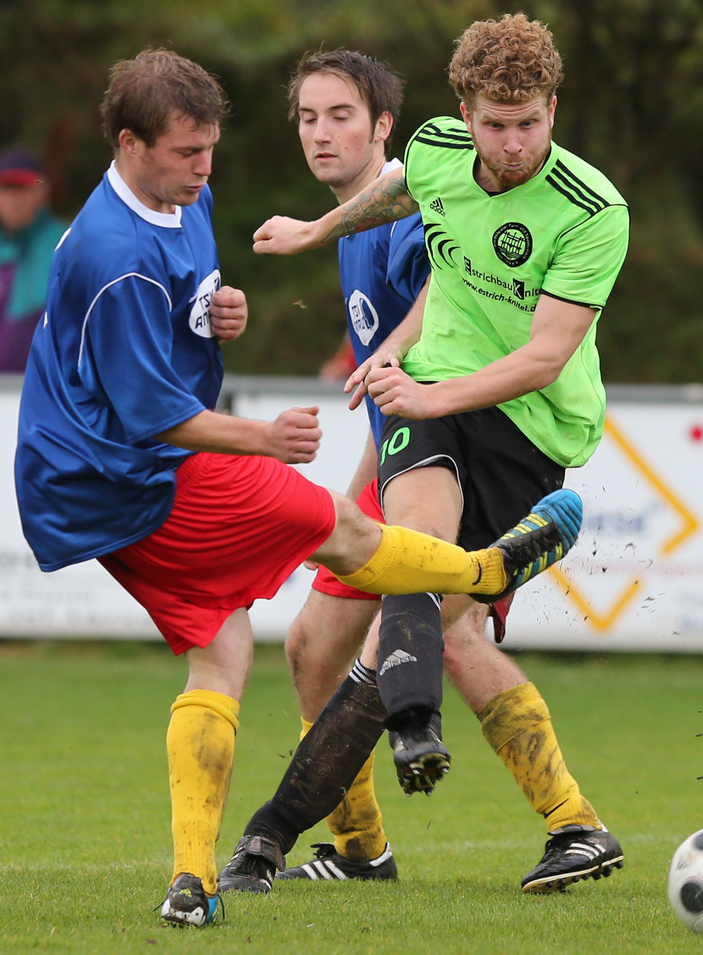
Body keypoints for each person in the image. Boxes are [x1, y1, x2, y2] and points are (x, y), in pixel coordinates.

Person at [12, 47, 583, 928]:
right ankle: (370, 834)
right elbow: (148, 397)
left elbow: (449, 278)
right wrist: (266, 418)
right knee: (343, 613)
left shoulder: (340, 211)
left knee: (375, 628)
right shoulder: (134, 244)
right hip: (141, 467)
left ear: (384, 126)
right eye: (308, 117)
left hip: (472, 437)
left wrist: (235, 326)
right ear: (133, 146)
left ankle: (560, 820)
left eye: (339, 116)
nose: (319, 133)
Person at [219, 14, 628, 896]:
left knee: (412, 623)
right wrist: (317, 233)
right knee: (347, 631)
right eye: (495, 124)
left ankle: (563, 822)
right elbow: (410, 183)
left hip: (521, 427)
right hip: (425, 412)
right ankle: (356, 833)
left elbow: (539, 356)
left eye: (530, 123)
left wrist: (410, 385)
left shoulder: (591, 212)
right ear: (462, 113)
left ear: (553, 108)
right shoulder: (435, 157)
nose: (513, 144)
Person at [0, 147, 65, 371]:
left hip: (42, 392)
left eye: (23, 189)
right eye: (7, 189)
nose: (14, 199)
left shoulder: (66, 245)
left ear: (44, 192)